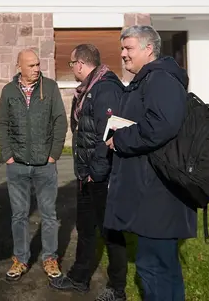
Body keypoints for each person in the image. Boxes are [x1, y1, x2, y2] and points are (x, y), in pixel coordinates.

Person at [104, 25, 196, 301]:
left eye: (128, 48)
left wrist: (121, 139)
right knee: (159, 266)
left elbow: (162, 125)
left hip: (159, 194)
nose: (122, 54)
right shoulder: (150, 80)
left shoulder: (160, 80)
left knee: (154, 267)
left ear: (148, 49)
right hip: (152, 190)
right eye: (122, 48)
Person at [49, 44, 128, 301]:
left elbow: (108, 135)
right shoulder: (89, 90)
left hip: (99, 175)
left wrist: (97, 172)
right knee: (85, 227)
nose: (71, 68)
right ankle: (79, 278)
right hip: (87, 173)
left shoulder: (104, 89)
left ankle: (118, 289)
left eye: (71, 64)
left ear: (80, 64)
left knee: (110, 231)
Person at [0, 49, 68, 282]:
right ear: (19, 67)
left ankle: (49, 258)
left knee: (49, 215)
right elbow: (2, 124)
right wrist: (7, 154)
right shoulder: (8, 91)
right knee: (19, 215)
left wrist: (53, 155)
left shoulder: (50, 88)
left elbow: (60, 121)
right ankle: (21, 258)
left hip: (45, 165)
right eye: (31, 65)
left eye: (38, 64)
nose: (36, 69)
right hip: (16, 165)